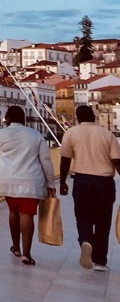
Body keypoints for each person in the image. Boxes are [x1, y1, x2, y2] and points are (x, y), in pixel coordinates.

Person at [59, 104, 120, 271]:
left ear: (78, 118)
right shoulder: (107, 135)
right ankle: (100, 261)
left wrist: (62, 182)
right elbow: (117, 160)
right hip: (105, 182)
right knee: (103, 221)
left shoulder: (71, 133)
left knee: (83, 216)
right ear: (93, 116)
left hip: (82, 181)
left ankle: (86, 240)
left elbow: (65, 159)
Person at [0, 105, 55, 265]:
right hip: (30, 180)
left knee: (13, 211)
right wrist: (51, 183)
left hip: (9, 179)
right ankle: (26, 254)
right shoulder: (35, 135)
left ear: (7, 118)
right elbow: (46, 160)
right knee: (26, 214)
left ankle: (16, 247)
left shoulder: (1, 134)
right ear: (24, 118)